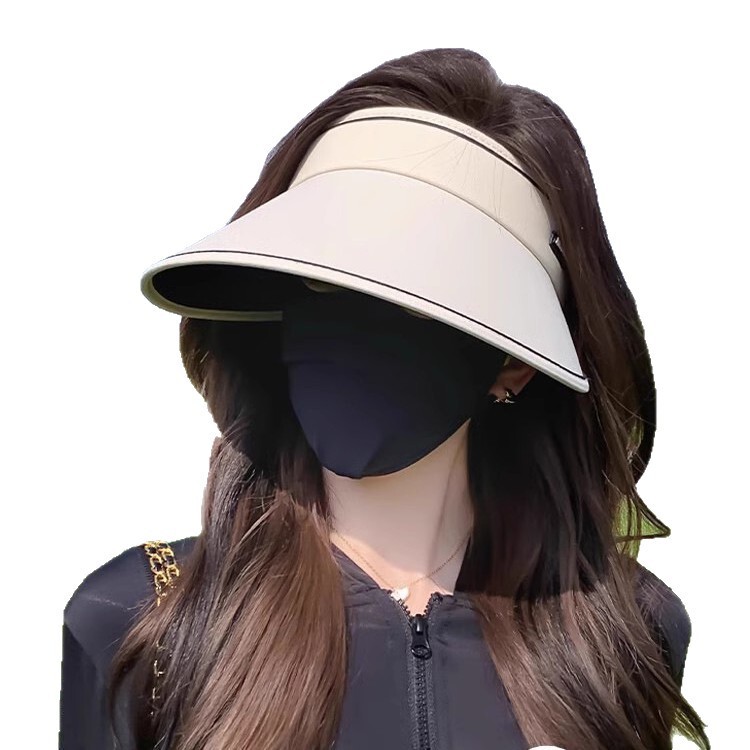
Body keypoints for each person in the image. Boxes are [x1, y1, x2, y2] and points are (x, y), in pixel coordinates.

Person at [58, 47, 711, 750]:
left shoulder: (626, 632)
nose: (355, 327)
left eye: (418, 299)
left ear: (515, 364)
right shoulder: (141, 620)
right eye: (323, 282)